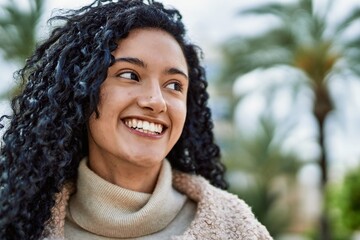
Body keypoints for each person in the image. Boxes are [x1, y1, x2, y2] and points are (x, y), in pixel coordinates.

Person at [0, 0, 272, 239]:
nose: (156, 101)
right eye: (130, 75)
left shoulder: (237, 230)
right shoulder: (19, 227)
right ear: (81, 90)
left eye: (174, 85)